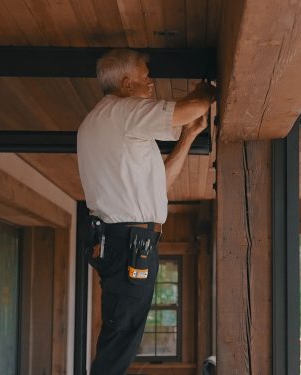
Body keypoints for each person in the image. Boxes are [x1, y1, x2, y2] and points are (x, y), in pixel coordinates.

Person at [77, 49, 217, 374]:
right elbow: (192, 107)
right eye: (145, 76)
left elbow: (160, 185)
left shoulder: (109, 121)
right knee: (121, 336)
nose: (151, 83)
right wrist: (210, 86)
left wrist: (189, 136)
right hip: (129, 243)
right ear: (126, 83)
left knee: (120, 334)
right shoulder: (122, 112)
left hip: (127, 242)